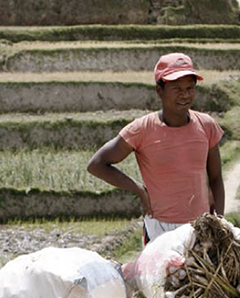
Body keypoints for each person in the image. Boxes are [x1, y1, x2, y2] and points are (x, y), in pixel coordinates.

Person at [87, 53, 224, 245]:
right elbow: (97, 164)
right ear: (159, 90)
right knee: (161, 275)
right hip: (160, 229)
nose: (185, 95)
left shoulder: (207, 125)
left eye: (190, 89)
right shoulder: (142, 129)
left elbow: (216, 178)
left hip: (199, 228)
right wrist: (138, 190)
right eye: (176, 89)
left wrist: (219, 222)